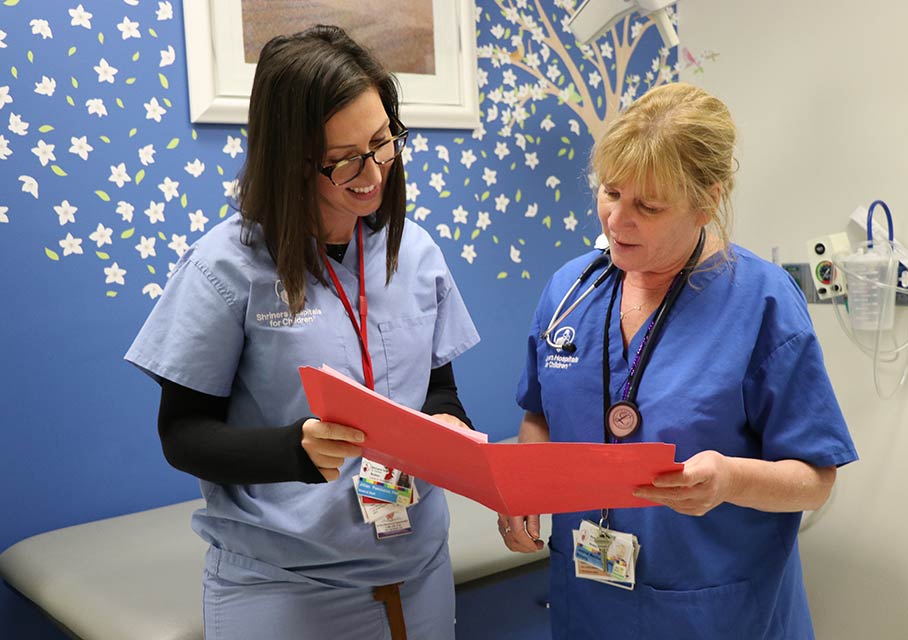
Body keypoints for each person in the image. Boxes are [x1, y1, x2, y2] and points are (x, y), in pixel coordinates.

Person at [125, 25, 479, 640]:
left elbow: (439, 388)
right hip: (286, 587)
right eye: (345, 161)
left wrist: (447, 424)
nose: (372, 173)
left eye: (383, 141)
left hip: (419, 568)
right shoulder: (226, 269)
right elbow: (182, 435)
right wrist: (295, 450)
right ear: (291, 160)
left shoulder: (414, 252)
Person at [499, 82, 858, 639]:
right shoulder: (570, 291)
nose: (617, 220)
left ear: (707, 201)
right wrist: (523, 488)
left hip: (717, 611)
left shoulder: (762, 302)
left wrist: (729, 478)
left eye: (648, 206)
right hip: (591, 600)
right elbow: (541, 415)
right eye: (610, 192)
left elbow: (814, 478)